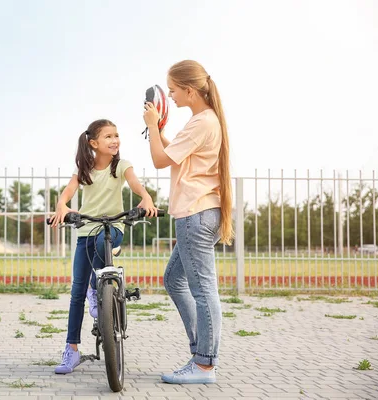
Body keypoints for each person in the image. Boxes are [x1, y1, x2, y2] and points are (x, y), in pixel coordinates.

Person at [143, 60, 233, 384]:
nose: (171, 97)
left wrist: (152, 125)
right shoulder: (204, 121)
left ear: (190, 90)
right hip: (198, 213)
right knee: (173, 279)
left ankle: (204, 363)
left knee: (203, 289)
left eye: (173, 91)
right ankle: (200, 353)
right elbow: (174, 155)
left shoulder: (201, 122)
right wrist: (161, 132)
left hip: (194, 215)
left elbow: (157, 161)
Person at [50, 118, 158, 374]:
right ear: (93, 143)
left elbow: (135, 184)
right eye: (108, 136)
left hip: (112, 229)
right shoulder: (84, 169)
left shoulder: (121, 166)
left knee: (103, 244)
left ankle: (96, 288)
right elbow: (67, 193)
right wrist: (62, 206)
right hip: (86, 231)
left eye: (117, 135)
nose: (115, 140)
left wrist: (146, 198)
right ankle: (72, 350)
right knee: (76, 293)